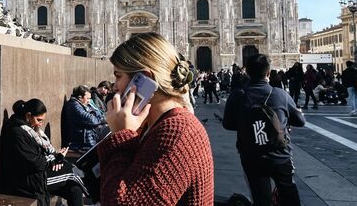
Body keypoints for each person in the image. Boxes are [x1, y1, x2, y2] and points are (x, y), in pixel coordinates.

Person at [97, 33, 214, 205]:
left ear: (145, 79)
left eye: (118, 75)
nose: (114, 85)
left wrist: (122, 136)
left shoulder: (178, 131)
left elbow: (121, 201)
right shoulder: (157, 124)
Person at [223, 54, 305, 206]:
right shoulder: (280, 94)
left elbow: (227, 124)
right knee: (289, 196)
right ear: (268, 73)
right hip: (280, 155)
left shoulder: (237, 95)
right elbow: (301, 121)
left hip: (251, 155)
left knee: (261, 199)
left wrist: (246, 124)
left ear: (246, 72)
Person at [1, 99, 86, 206]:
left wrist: (56, 158)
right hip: (29, 181)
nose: (41, 124)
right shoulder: (17, 132)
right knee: (72, 173)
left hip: (39, 173)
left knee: (74, 189)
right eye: (39, 120)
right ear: (28, 116)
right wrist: (56, 159)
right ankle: (95, 196)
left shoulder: (30, 130)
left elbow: (44, 151)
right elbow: (33, 161)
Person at [62, 85, 107, 151]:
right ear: (80, 97)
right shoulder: (74, 106)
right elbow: (93, 121)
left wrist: (95, 115)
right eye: (88, 98)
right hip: (81, 145)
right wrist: (98, 117)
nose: (89, 101)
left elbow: (98, 113)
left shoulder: (83, 104)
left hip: (89, 141)